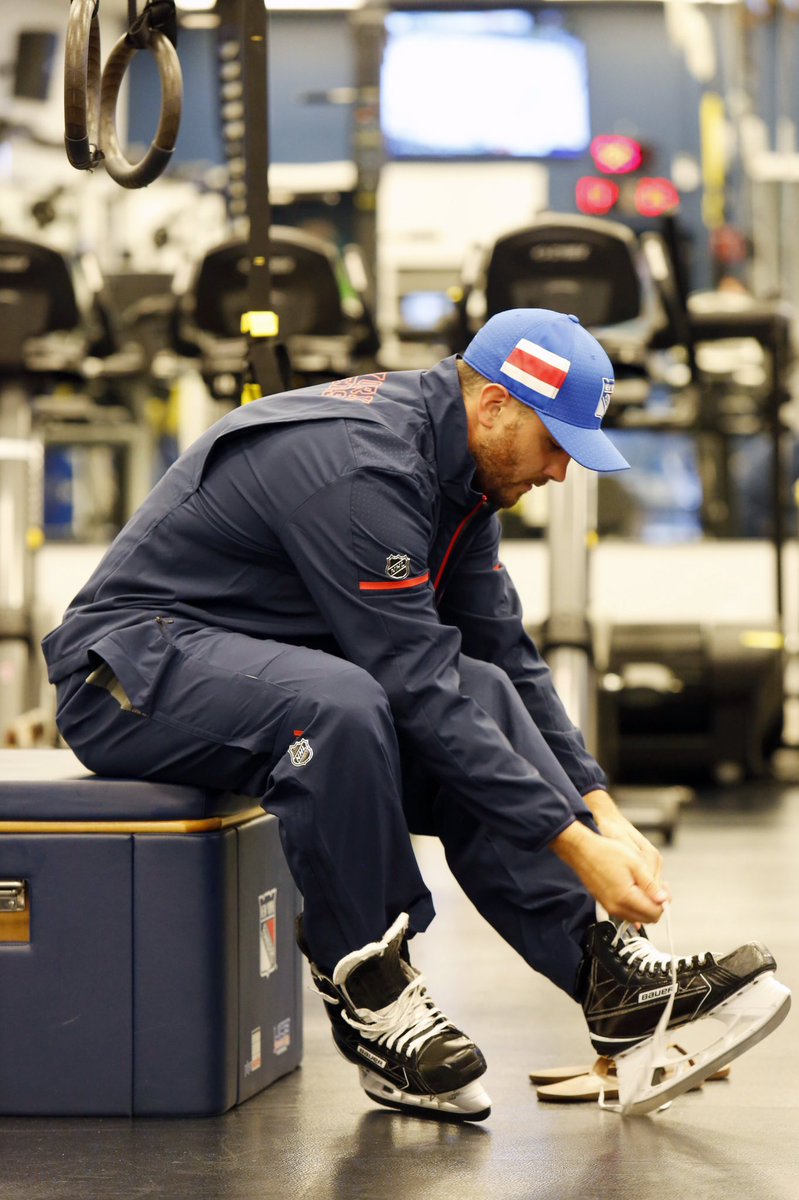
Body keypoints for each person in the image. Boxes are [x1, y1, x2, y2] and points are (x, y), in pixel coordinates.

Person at [42, 308, 789, 1121]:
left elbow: (503, 658)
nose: (559, 475)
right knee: (339, 706)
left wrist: (597, 806)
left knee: (479, 691)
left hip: (256, 669)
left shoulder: (460, 478)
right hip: (127, 677)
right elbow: (411, 684)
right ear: (495, 406)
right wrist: (572, 844)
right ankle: (370, 993)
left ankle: (609, 984)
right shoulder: (364, 469)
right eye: (554, 445)